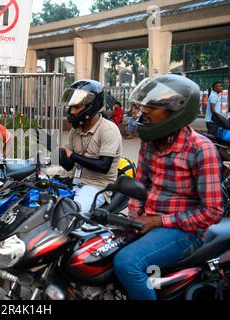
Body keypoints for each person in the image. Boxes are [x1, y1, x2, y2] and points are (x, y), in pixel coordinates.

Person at [113, 74, 223, 300]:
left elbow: (212, 212)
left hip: (185, 231)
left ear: (176, 111)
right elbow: (139, 186)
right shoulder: (150, 143)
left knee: (127, 263)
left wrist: (159, 221)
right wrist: (134, 217)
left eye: (152, 107)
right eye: (144, 106)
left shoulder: (201, 149)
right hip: (147, 221)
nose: (143, 112)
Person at [58, 79, 122, 213]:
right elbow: (70, 165)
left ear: (91, 106)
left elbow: (103, 166)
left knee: (69, 214)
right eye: (71, 107)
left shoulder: (108, 130)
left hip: (97, 187)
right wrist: (58, 152)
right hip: (75, 182)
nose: (72, 112)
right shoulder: (76, 129)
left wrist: (73, 155)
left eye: (77, 107)